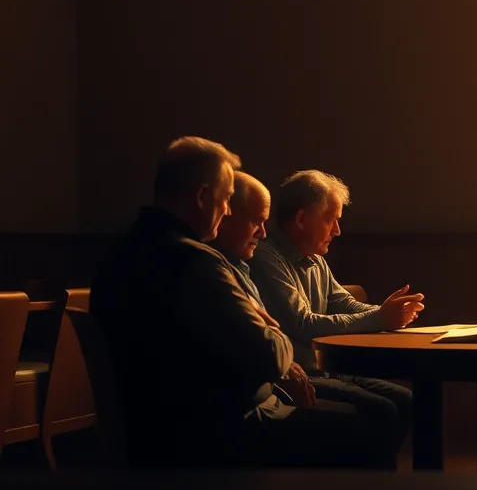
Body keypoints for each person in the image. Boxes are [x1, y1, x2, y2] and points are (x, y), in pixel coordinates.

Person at [91, 137, 394, 468]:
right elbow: (270, 355)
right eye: (225, 201)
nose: (226, 212)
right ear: (203, 197)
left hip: (157, 433)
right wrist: (274, 330)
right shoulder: (197, 262)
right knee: (372, 425)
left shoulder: (121, 253)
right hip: (216, 436)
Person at [248, 170, 421, 453]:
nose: (337, 231)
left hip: (332, 371)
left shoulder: (316, 260)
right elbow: (302, 323)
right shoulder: (267, 258)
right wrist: (379, 318)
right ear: (302, 219)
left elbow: (345, 303)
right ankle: (366, 483)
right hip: (304, 376)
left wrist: (389, 311)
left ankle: (377, 478)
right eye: (331, 220)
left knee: (407, 401)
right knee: (384, 411)